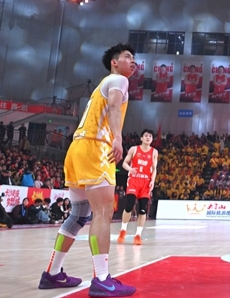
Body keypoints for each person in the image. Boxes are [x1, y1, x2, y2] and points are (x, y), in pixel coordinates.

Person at [37, 43, 137, 296]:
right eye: (128, 57)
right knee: (103, 212)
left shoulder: (101, 86)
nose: (133, 62)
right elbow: (113, 107)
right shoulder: (119, 80)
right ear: (114, 62)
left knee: (79, 214)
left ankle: (52, 273)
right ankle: (102, 279)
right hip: (96, 147)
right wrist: (118, 138)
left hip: (77, 148)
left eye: (134, 58)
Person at [118, 129, 158, 246]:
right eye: (146, 136)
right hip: (134, 180)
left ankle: (138, 235)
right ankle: (123, 229)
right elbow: (124, 163)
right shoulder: (134, 149)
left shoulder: (154, 152)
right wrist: (130, 169)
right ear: (141, 138)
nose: (148, 137)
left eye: (150, 136)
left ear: (152, 139)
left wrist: (153, 181)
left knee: (142, 209)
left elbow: (154, 169)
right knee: (129, 205)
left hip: (146, 182)